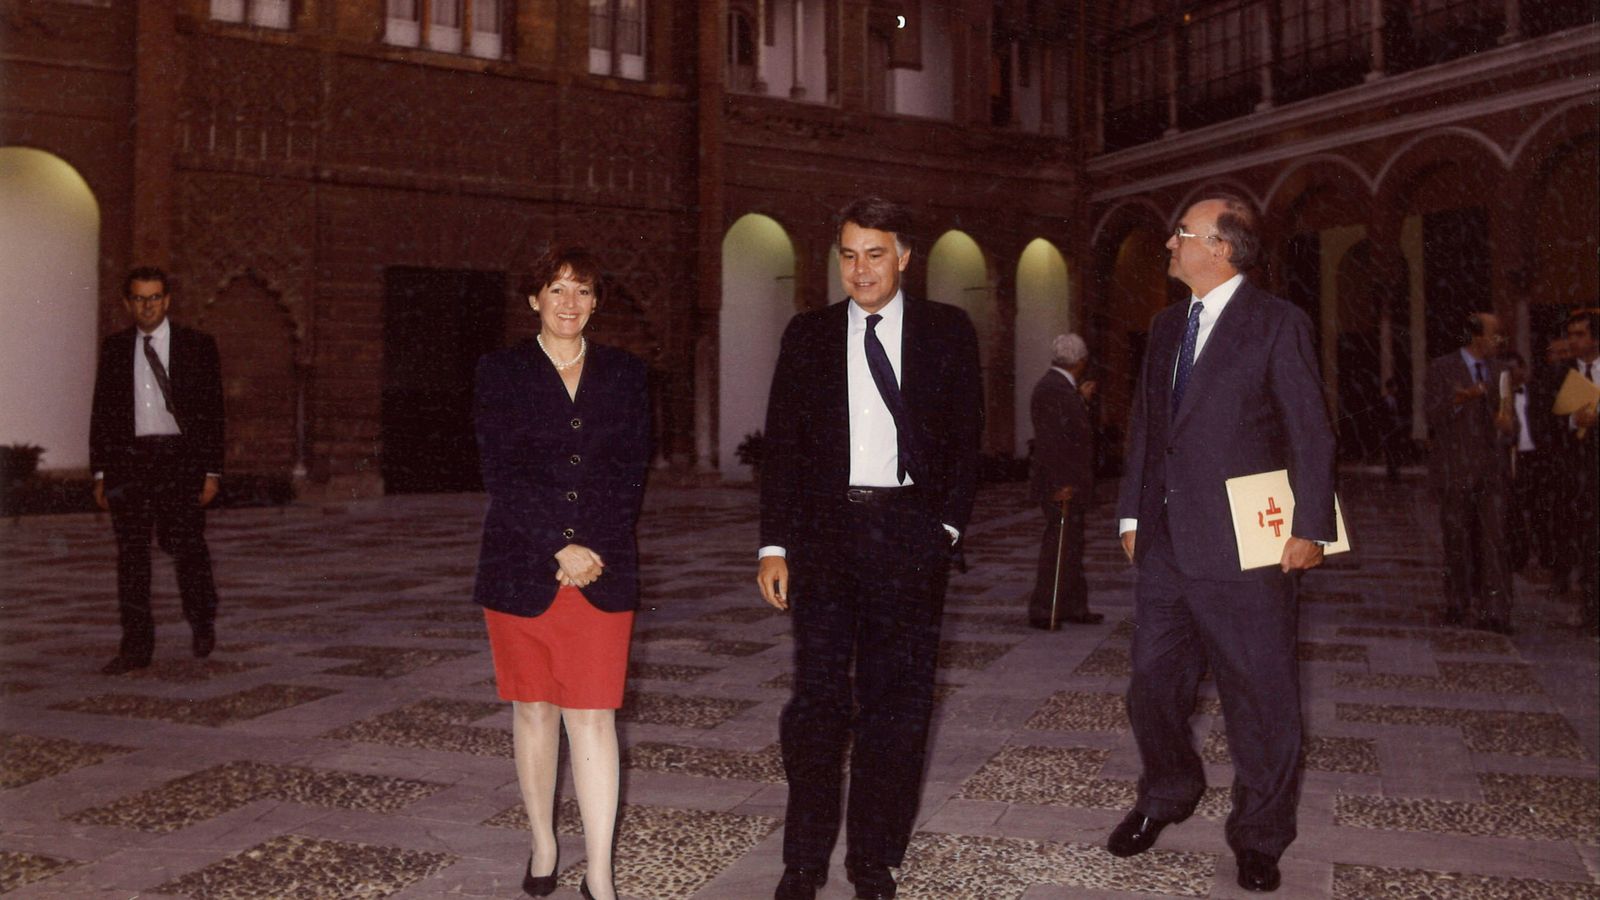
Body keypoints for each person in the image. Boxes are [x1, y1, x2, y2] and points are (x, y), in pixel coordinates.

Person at [756, 196, 982, 900]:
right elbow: (783, 448)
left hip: (910, 536)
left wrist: (944, 529)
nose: (859, 269)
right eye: (848, 254)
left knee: (899, 703)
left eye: (874, 253)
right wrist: (774, 544)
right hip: (827, 538)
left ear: (905, 257)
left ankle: (874, 859)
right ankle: (804, 861)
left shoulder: (949, 331)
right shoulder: (809, 335)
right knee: (817, 703)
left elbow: (968, 438)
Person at [1110, 195, 1336, 894]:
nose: (1169, 245)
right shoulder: (1167, 324)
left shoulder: (1277, 323)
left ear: (1222, 248)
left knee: (1260, 699)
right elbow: (1148, 427)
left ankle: (1260, 836)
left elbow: (1310, 428)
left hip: (1249, 543)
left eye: (1181, 234)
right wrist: (1129, 514)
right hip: (1168, 546)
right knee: (1150, 685)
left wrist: (1312, 525)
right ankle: (1169, 792)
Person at [471, 247, 649, 900]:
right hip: (521, 566)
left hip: (603, 570)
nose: (568, 302)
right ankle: (544, 843)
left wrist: (588, 548)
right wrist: (556, 545)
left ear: (596, 303)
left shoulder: (626, 374)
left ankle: (599, 873)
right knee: (535, 713)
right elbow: (500, 473)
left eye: (581, 291)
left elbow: (631, 472)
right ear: (533, 300)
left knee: (594, 717)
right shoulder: (500, 372)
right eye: (556, 289)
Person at [89, 266, 225, 675]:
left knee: (185, 546)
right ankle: (135, 646)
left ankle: (201, 618)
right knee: (131, 557)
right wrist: (100, 473)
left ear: (166, 300)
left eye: (154, 298)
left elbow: (213, 411)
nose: (146, 306)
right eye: (139, 299)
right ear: (128, 303)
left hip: (178, 459)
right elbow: (103, 413)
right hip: (130, 461)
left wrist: (212, 471)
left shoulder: (196, 346)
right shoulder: (115, 348)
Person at [1424, 312, 1515, 633]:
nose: (1499, 341)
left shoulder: (1502, 371)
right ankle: (1457, 603)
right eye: (1495, 334)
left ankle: (1496, 610)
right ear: (1477, 337)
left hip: (1491, 471)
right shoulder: (1442, 368)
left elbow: (1510, 419)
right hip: (1455, 470)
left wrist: (1503, 419)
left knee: (1495, 541)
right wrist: (1461, 400)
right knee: (1456, 539)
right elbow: (1431, 414)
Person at [1027, 333, 1104, 629]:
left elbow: (1066, 427)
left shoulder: (1060, 388)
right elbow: (1053, 441)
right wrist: (1061, 482)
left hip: (1068, 481)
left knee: (1070, 545)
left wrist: (1080, 401)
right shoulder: (1054, 390)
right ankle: (1044, 609)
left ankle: (1072, 606)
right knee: (1058, 546)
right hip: (1061, 484)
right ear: (1081, 362)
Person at [1556, 307, 1599, 632]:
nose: (1573, 341)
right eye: (1570, 334)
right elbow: (1547, 422)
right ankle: (1590, 608)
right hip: (1577, 473)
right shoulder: (1560, 373)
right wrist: (1573, 419)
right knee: (1585, 541)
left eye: (1580, 334)